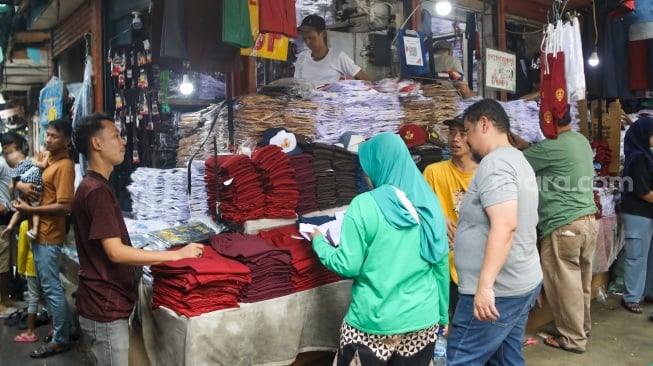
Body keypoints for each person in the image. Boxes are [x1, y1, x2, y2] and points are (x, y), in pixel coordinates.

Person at [71, 113, 204, 366]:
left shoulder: (95, 186)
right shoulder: (96, 191)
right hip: (105, 307)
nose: (123, 142)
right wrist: (175, 255)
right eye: (115, 136)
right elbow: (115, 252)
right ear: (97, 144)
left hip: (107, 302)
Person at [310, 132, 449, 365]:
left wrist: (318, 243)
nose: (365, 176)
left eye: (367, 168)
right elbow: (440, 264)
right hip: (423, 318)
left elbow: (348, 264)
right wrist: (442, 314)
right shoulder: (429, 202)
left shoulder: (363, 206)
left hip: (373, 324)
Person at [447, 99, 542, 365]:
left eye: (467, 131)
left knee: (459, 358)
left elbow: (505, 224)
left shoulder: (495, 165)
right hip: (520, 282)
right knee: (505, 358)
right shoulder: (516, 158)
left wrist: (485, 287)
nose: (465, 140)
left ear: (484, 124)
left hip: (498, 291)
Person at [522, 112, 598, 353]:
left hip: (563, 224)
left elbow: (519, 162)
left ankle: (573, 339)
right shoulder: (580, 140)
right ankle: (581, 328)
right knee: (581, 283)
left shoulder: (550, 146)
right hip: (587, 223)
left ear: (548, 122)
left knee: (565, 285)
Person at [12, 119, 77, 358]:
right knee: (51, 285)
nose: (48, 140)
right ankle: (68, 328)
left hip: (50, 234)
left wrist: (31, 212)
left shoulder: (65, 167)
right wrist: (23, 185)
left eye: (54, 136)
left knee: (50, 287)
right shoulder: (48, 160)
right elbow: (20, 177)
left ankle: (60, 339)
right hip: (41, 234)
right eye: (47, 135)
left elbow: (64, 206)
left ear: (67, 140)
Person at [423, 115, 477, 317]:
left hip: (474, 266)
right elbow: (420, 210)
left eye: (463, 134)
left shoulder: (485, 174)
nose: (455, 139)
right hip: (441, 264)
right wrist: (438, 218)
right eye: (452, 132)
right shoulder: (433, 172)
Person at [619, 117, 653, 317]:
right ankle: (631, 297)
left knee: (648, 257)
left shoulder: (645, 156)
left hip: (646, 213)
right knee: (637, 257)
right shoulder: (638, 158)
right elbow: (642, 191)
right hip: (637, 213)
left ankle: (647, 292)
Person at [294, 14, 370, 86]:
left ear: (323, 34)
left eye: (311, 38)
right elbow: (297, 85)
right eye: (304, 38)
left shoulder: (338, 57)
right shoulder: (302, 58)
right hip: (307, 99)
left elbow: (364, 79)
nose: (307, 42)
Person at [1, 147, 49, 240]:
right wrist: (47, 156)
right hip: (35, 188)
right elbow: (43, 165)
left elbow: (11, 187)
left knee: (19, 211)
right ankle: (35, 230)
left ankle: (10, 226)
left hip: (23, 192)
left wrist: (13, 200)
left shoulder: (15, 170)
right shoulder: (31, 161)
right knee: (35, 210)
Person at [0, 133, 14, 317]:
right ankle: (2, 301)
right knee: (2, 262)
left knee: (7, 261)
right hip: (1, 219)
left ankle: (6, 297)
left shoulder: (6, 163)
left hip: (8, 218)